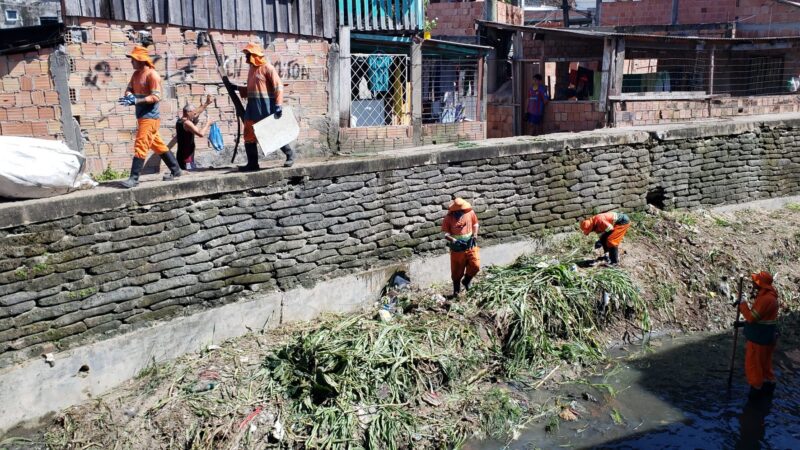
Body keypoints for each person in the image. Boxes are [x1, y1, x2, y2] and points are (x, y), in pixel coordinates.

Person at [118, 45, 181, 189]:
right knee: (157, 145)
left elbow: (156, 97)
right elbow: (129, 89)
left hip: (150, 117)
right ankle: (176, 170)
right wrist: (129, 95)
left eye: (133, 59)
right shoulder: (136, 75)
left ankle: (134, 178)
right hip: (142, 116)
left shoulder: (152, 75)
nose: (131, 62)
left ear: (141, 60)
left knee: (141, 144)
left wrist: (136, 100)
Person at [235, 42, 295, 171]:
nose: (246, 59)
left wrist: (278, 105)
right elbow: (253, 89)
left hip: (265, 107)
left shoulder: (268, 68)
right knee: (249, 135)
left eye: (248, 55)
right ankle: (252, 164)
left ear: (254, 55)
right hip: (252, 107)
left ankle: (290, 154)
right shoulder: (252, 69)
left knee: (273, 133)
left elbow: (278, 86)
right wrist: (237, 88)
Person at [737, 271, 779, 398]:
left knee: (754, 366)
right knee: (765, 366)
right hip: (767, 337)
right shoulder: (770, 297)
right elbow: (762, 319)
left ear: (761, 284)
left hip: (759, 339)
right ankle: (767, 394)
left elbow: (751, 318)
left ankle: (755, 395)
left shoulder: (765, 299)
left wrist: (743, 304)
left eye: (755, 282)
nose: (753, 284)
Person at [441, 198, 480, 298]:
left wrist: (474, 235)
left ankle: (467, 280)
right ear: (453, 211)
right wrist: (454, 241)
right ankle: (456, 292)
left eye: (462, 211)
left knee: (475, 265)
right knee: (457, 271)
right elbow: (446, 234)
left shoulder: (470, 213)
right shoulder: (448, 218)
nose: (460, 213)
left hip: (470, 245)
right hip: (457, 249)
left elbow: (475, 224)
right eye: (458, 212)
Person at [176, 94, 213, 170]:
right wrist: (208, 123)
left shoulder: (180, 121)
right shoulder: (187, 123)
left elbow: (198, 112)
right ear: (188, 112)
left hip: (183, 155)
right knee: (189, 173)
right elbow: (201, 134)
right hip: (186, 157)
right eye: (193, 113)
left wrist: (206, 103)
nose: (194, 114)